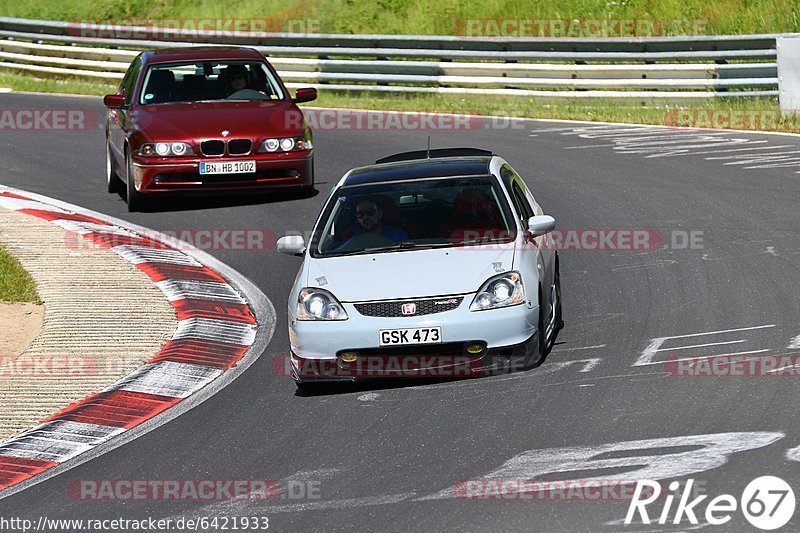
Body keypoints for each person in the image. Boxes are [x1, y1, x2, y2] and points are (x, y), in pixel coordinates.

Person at [339, 199, 409, 248]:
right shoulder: (352, 239)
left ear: (379, 214)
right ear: (357, 218)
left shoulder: (397, 234)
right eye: (360, 214)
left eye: (370, 212)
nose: (365, 217)